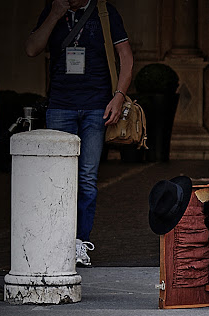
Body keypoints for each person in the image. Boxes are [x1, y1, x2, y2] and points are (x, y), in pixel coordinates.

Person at [25, 0, 133, 267]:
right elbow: (31, 49)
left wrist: (118, 97)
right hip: (60, 106)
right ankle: (54, 240)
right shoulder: (53, 10)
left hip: (96, 108)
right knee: (56, 178)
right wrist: (55, 14)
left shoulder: (105, 12)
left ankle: (78, 243)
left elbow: (127, 58)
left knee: (86, 179)